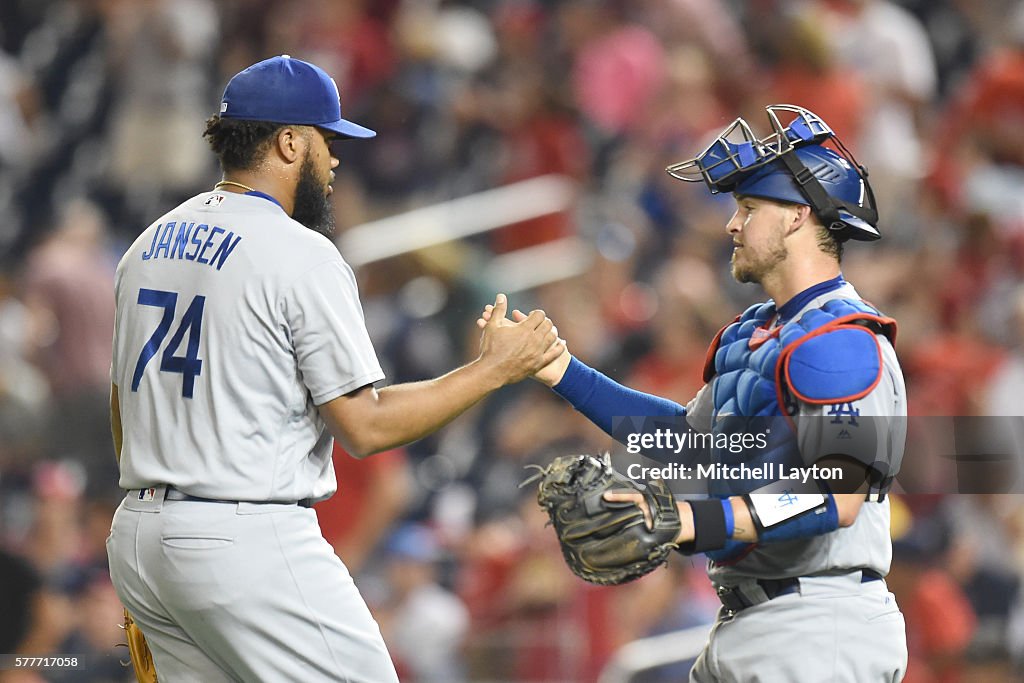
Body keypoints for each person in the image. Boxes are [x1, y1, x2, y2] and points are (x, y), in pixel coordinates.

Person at [106, 55, 563, 682]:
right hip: (241, 538)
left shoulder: (146, 245)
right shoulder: (301, 253)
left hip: (140, 537)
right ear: (290, 142)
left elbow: (119, 408)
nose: (337, 161)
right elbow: (364, 428)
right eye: (329, 141)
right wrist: (493, 370)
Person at [482, 104, 907, 681]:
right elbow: (687, 441)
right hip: (756, 620)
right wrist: (558, 368)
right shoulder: (758, 335)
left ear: (796, 218)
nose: (732, 225)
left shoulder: (841, 342)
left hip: (816, 624)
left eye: (749, 207)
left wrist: (684, 519)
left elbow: (836, 495)